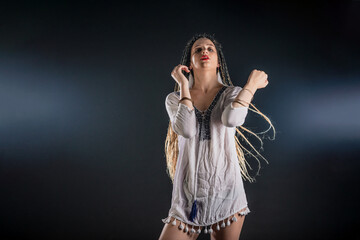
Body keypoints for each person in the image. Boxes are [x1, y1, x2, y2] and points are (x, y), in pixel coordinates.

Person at [159, 33, 275, 240]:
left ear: (218, 62)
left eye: (210, 49)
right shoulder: (174, 99)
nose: (204, 51)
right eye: (198, 49)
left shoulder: (232, 93)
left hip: (227, 194)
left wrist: (251, 86)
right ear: (190, 64)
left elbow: (232, 119)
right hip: (188, 198)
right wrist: (184, 85)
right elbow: (186, 129)